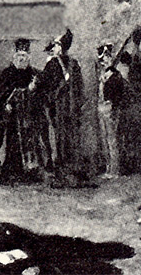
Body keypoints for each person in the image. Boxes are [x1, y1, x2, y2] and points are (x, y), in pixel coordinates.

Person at [0, 38, 48, 183]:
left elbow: (41, 96)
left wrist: (32, 92)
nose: (21, 58)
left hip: (28, 117)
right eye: (19, 55)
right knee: (10, 142)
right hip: (11, 117)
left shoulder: (34, 74)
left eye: (24, 55)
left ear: (28, 56)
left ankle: (30, 170)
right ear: (15, 56)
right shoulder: (7, 73)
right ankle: (8, 170)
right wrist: (5, 104)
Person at [34, 29, 84, 187]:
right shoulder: (74, 64)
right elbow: (80, 88)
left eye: (55, 45)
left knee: (59, 139)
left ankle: (62, 175)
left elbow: (42, 82)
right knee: (72, 137)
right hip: (73, 108)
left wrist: (35, 82)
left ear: (61, 47)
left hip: (59, 107)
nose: (53, 48)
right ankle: (73, 172)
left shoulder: (53, 63)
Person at [97, 43, 125, 179]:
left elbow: (119, 96)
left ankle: (114, 170)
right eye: (102, 59)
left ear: (111, 58)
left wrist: (113, 107)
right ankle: (108, 169)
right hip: (101, 108)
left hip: (111, 109)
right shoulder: (102, 75)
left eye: (106, 58)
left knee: (112, 140)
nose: (104, 61)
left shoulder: (116, 76)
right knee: (104, 139)